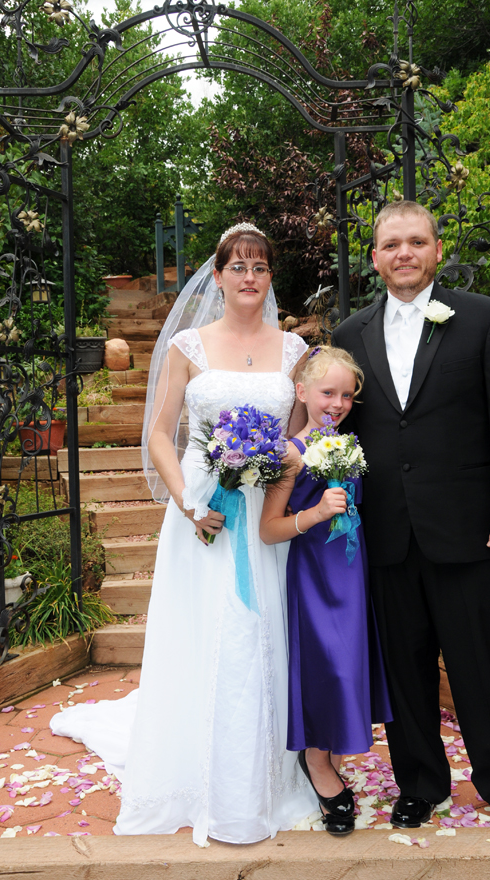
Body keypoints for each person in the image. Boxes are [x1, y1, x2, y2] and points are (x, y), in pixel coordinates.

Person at [51, 223, 318, 846]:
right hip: (204, 511)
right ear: (218, 276)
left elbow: (306, 430)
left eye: (260, 266)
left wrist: (282, 458)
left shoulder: (292, 353)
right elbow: (159, 431)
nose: (249, 277)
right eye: (238, 266)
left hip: (264, 512)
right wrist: (189, 500)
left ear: (269, 277)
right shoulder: (188, 346)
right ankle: (199, 775)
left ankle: (260, 776)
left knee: (259, 633)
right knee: (212, 628)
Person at [332, 200, 490, 837]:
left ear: (436, 250)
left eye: (415, 242)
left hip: (472, 530)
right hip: (387, 535)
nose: (404, 253)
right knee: (405, 671)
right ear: (374, 258)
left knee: (480, 667)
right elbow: (340, 425)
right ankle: (419, 785)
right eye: (391, 244)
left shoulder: (482, 319)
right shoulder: (350, 334)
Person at [260, 346, 392, 836]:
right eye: (326, 392)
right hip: (316, 574)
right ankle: (316, 762)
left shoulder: (347, 443)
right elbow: (268, 529)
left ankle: (331, 753)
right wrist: (315, 514)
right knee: (328, 665)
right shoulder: (289, 454)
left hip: (352, 573)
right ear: (302, 392)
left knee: (349, 664)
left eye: (346, 395)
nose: (336, 403)